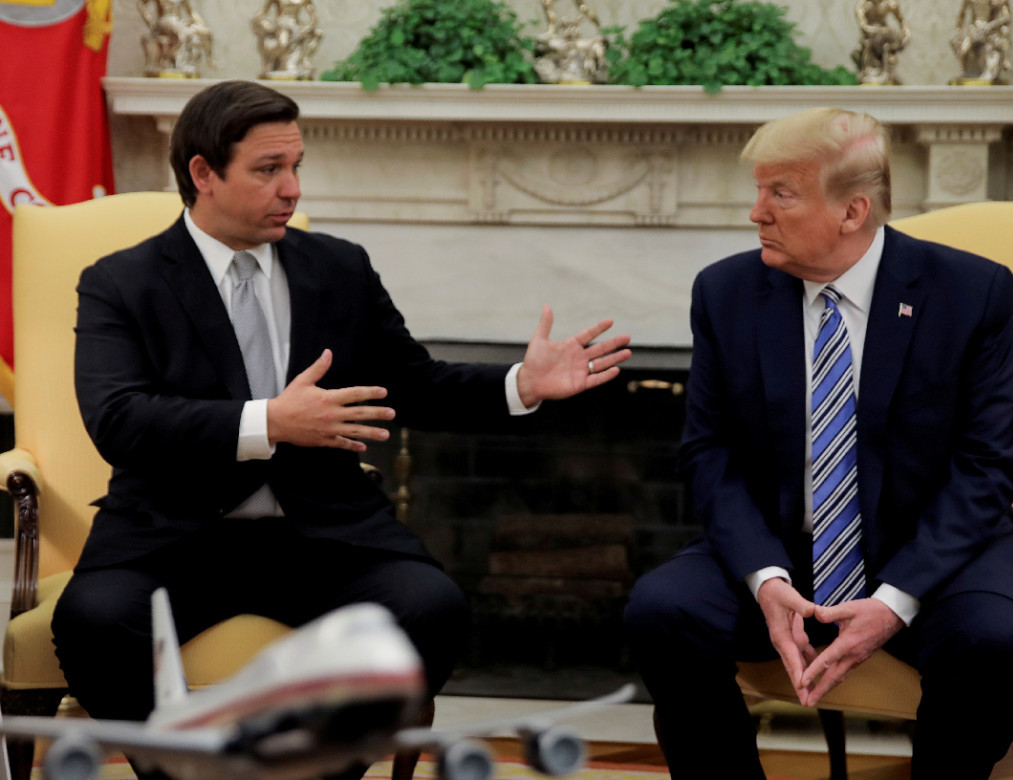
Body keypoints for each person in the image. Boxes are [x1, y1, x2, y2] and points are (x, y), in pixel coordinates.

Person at [52, 79, 631, 779]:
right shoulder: (121, 281)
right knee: (93, 622)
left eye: (297, 166)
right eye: (269, 170)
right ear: (203, 174)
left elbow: (410, 384)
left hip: (322, 534)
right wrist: (270, 421)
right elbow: (119, 419)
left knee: (430, 608)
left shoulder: (339, 267)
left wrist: (521, 384)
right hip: (173, 535)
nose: (292, 189)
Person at [623, 107, 1013, 780]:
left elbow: (987, 466)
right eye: (758, 191)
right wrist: (766, 579)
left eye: (781, 194)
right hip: (782, 547)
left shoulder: (969, 293)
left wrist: (893, 603)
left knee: (992, 640)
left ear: (852, 211)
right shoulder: (726, 292)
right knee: (662, 611)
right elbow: (707, 452)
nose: (755, 213)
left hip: (934, 553)